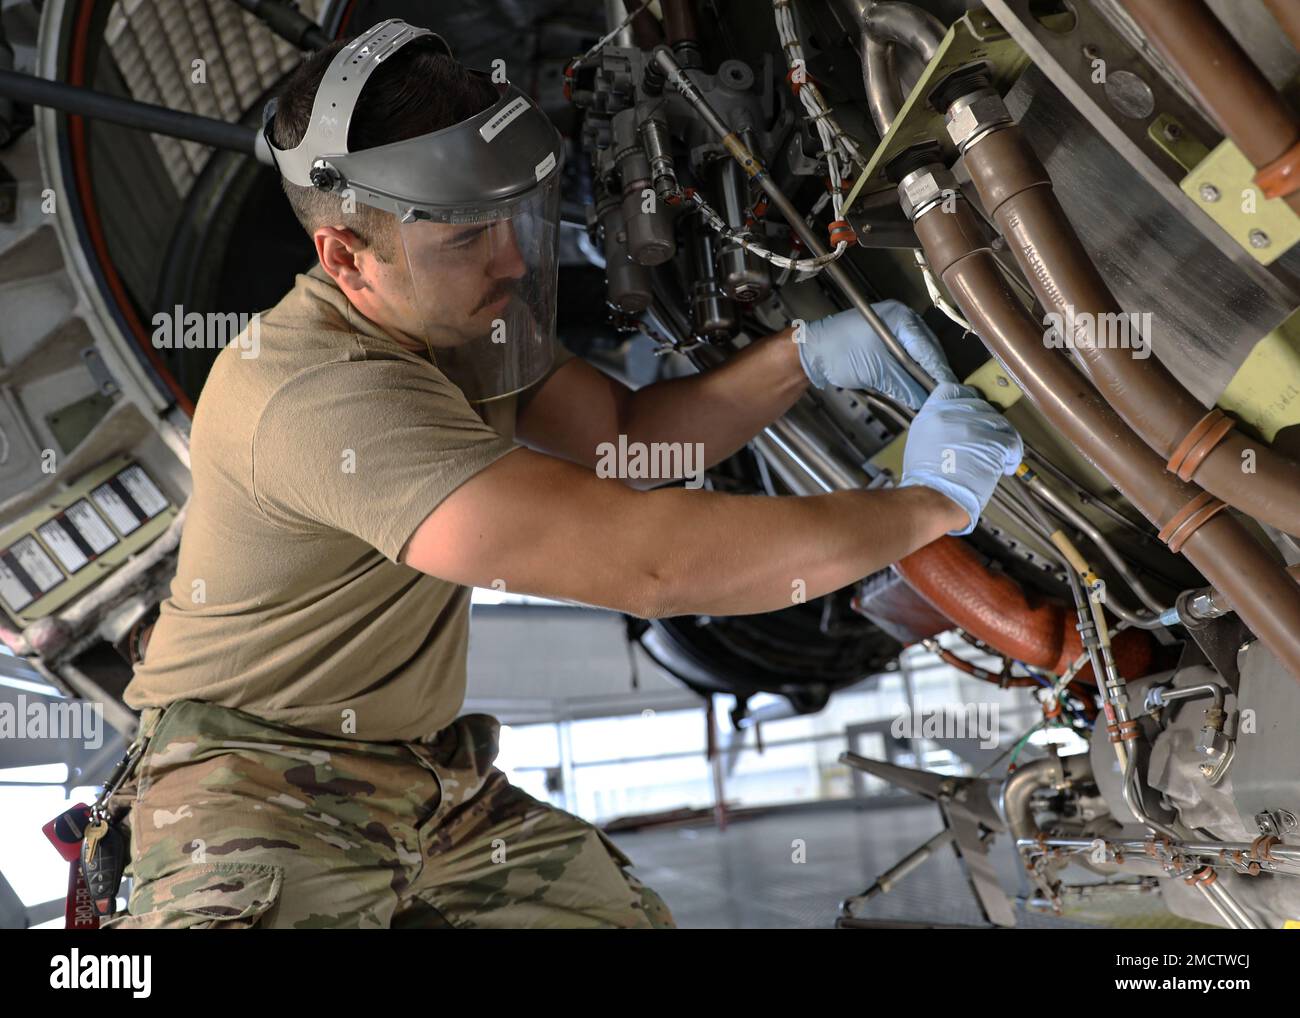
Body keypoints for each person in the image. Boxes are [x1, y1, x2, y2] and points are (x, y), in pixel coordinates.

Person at [105, 20, 1021, 929]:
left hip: (425, 775)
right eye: (465, 239)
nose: (509, 260)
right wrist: (927, 504)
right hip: (248, 794)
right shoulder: (316, 401)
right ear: (346, 257)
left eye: (512, 216)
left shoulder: (463, 316)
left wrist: (804, 357)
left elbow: (625, 439)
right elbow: (647, 567)